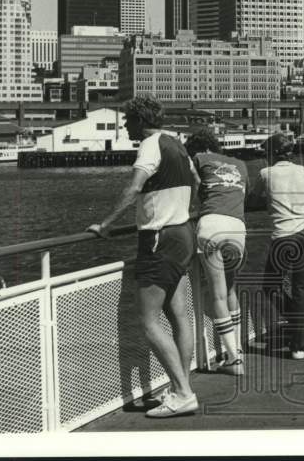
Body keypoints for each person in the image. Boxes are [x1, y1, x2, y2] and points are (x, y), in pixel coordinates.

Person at [86, 95, 199, 418]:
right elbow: (197, 181)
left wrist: (105, 225)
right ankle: (183, 386)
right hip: (183, 232)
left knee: (148, 320)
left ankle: (182, 392)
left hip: (159, 237)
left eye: (127, 120)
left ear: (139, 120)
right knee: (178, 315)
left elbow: (134, 188)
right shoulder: (177, 144)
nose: (124, 125)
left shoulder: (150, 145)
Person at [257, 133, 304, 359]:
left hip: (283, 237)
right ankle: (299, 344)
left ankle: (303, 326)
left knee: (271, 286)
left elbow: (253, 199)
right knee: (301, 289)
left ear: (271, 153)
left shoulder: (265, 173)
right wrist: (303, 202)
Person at [185, 127, 248, 375]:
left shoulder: (199, 159)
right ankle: (239, 349)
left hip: (211, 226)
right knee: (230, 289)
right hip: (237, 228)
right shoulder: (241, 165)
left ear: (197, 148)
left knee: (217, 296)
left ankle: (234, 360)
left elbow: (196, 187)